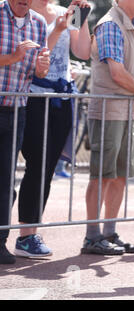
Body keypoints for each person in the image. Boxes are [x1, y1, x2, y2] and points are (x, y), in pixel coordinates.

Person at [13, 0, 91, 259]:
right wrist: (57, 30)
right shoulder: (22, 12)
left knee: (45, 167)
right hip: (30, 97)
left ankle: (29, 234)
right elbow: (34, 57)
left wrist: (83, 16)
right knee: (33, 164)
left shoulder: (63, 13)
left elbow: (82, 51)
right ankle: (23, 233)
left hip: (61, 97)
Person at [82, 0, 134, 255]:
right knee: (102, 175)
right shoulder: (111, 24)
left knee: (120, 174)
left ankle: (108, 232)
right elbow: (117, 73)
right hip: (108, 109)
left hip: (125, 110)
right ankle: (92, 236)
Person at [0, 0, 50, 264]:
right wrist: (14, 56)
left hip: (17, 110)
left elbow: (38, 71)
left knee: (6, 182)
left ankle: (0, 243)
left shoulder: (39, 23)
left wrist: (42, 65)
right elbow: (18, 58)